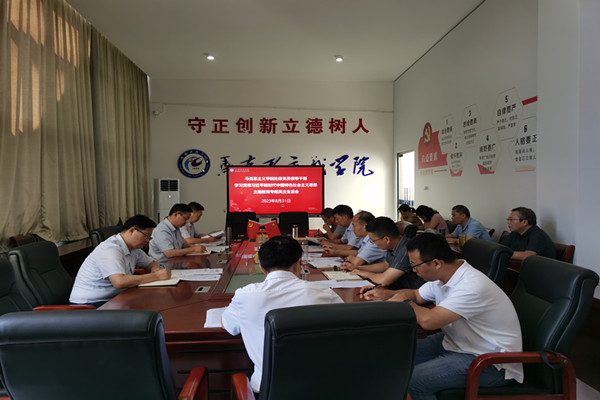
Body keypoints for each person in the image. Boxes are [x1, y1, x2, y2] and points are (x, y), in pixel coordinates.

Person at [362, 233, 523, 399]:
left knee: (415, 381)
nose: (414, 271)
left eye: (415, 266)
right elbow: (416, 295)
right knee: (393, 355)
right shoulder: (445, 276)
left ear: (436, 263)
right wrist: (386, 294)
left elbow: (429, 321)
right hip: (457, 342)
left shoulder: (471, 286)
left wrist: (404, 302)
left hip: (490, 362)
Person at [221, 236, 343, 394]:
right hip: (320, 388)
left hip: (268, 390)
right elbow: (346, 330)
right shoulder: (323, 293)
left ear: (262, 268)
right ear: (298, 263)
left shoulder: (245, 295)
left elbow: (228, 325)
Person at [69, 215, 172, 306]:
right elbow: (119, 282)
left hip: (113, 298)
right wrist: (156, 276)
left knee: (153, 302)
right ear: (132, 230)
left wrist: (155, 270)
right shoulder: (110, 249)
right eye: (146, 236)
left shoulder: (134, 248)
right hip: (91, 304)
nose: (147, 241)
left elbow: (152, 263)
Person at [345, 216, 423, 289]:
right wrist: (357, 268)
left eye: (373, 240)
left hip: (411, 293)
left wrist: (367, 274)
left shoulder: (406, 249)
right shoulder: (393, 245)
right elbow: (386, 265)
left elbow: (384, 280)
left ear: (387, 239)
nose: (373, 243)